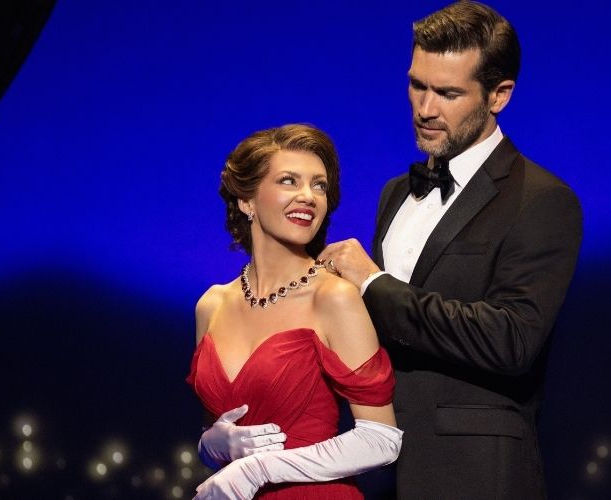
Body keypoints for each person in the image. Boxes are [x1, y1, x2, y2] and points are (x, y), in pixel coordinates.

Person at [317, 2, 583, 498]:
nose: (425, 108)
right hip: (380, 467)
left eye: (448, 93)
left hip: (474, 473)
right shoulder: (396, 192)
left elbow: (511, 340)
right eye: (417, 85)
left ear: (499, 95)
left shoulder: (541, 200)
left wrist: (373, 285)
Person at [186, 124, 403, 499]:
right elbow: (216, 429)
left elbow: (381, 440)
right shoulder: (211, 305)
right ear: (246, 200)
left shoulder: (333, 297)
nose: (308, 197)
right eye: (289, 181)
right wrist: (210, 445)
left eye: (319, 186)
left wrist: (257, 469)